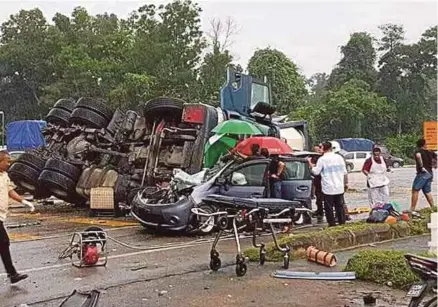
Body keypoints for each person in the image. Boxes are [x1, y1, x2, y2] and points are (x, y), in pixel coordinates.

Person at [0, 151, 35, 284]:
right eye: (6, 161)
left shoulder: (4, 175)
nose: (9, 164)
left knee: (3, 244)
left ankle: (12, 273)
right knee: (3, 242)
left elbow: (10, 191)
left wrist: (24, 201)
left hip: (1, 216)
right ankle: (12, 273)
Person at [308, 142, 348, 227]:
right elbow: (345, 172)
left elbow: (316, 172)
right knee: (339, 206)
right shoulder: (339, 157)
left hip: (328, 187)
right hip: (339, 186)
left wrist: (310, 164)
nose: (319, 149)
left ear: (324, 148)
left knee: (328, 207)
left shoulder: (322, 159)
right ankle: (342, 222)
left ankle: (332, 224)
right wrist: (346, 183)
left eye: (320, 147)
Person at [410, 139, 437, 216]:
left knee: (415, 190)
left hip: (422, 174)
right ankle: (433, 207)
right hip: (430, 173)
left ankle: (412, 208)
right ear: (424, 144)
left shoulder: (418, 152)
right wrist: (435, 164)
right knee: (427, 191)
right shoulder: (430, 152)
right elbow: (436, 156)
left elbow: (418, 157)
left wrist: (421, 166)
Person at [311, 144, 324, 223]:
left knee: (322, 197)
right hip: (316, 180)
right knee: (318, 197)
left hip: (322, 180)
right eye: (315, 150)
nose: (317, 151)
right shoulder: (313, 157)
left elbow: (316, 169)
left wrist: (310, 164)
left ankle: (321, 211)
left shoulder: (321, 159)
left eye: (318, 150)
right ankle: (319, 210)